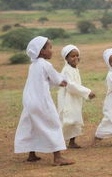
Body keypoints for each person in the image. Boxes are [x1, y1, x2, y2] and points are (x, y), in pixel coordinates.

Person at [14, 36, 74, 166]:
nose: (52, 50)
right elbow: (58, 80)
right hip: (42, 101)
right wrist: (64, 81)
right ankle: (57, 157)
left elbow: (44, 80)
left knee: (32, 125)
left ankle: (31, 154)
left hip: (29, 101)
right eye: (49, 48)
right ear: (41, 51)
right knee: (53, 124)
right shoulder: (45, 64)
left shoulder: (33, 65)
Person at [57, 44, 95, 148]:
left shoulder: (75, 69)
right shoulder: (66, 70)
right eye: (72, 56)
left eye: (77, 55)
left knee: (75, 119)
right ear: (66, 58)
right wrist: (87, 92)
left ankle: (72, 142)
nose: (76, 58)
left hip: (75, 98)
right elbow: (70, 86)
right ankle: (57, 142)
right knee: (66, 120)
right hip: (67, 99)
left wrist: (84, 93)